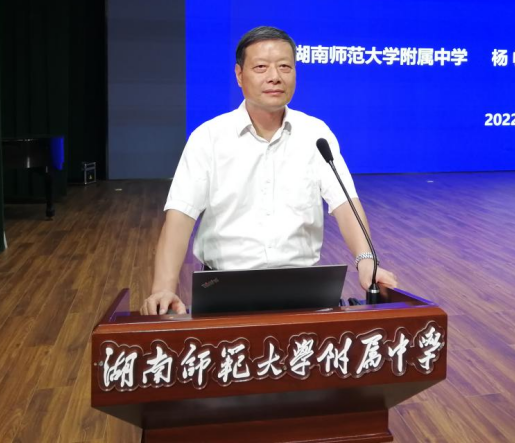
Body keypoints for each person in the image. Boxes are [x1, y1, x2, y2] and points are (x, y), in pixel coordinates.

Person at [141, 26, 397, 315]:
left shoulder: (315, 133)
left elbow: (345, 203)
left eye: (285, 67)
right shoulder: (209, 138)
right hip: (224, 286)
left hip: (304, 287)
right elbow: (180, 216)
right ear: (239, 75)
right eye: (261, 67)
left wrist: (366, 261)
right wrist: (163, 287)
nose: (275, 76)